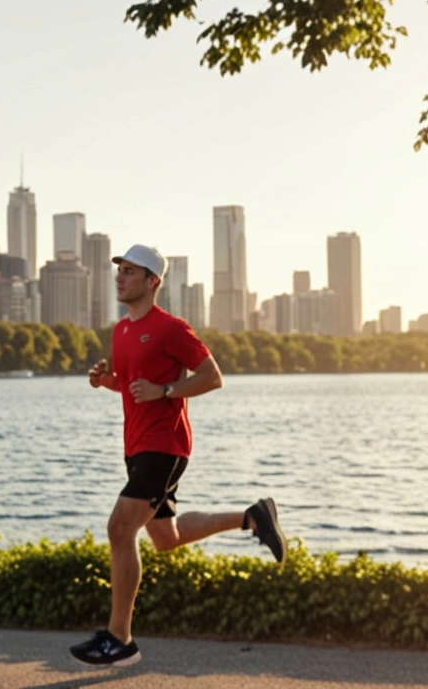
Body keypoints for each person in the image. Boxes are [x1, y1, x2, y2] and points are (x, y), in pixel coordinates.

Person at [68, 244, 286, 668]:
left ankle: (120, 639)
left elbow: (212, 376)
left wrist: (166, 390)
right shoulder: (122, 331)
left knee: (118, 530)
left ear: (153, 281)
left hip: (165, 446)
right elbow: (134, 384)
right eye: (119, 271)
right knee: (165, 539)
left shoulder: (170, 328)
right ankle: (253, 516)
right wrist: (106, 381)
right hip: (136, 447)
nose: (120, 278)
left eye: (130, 272)